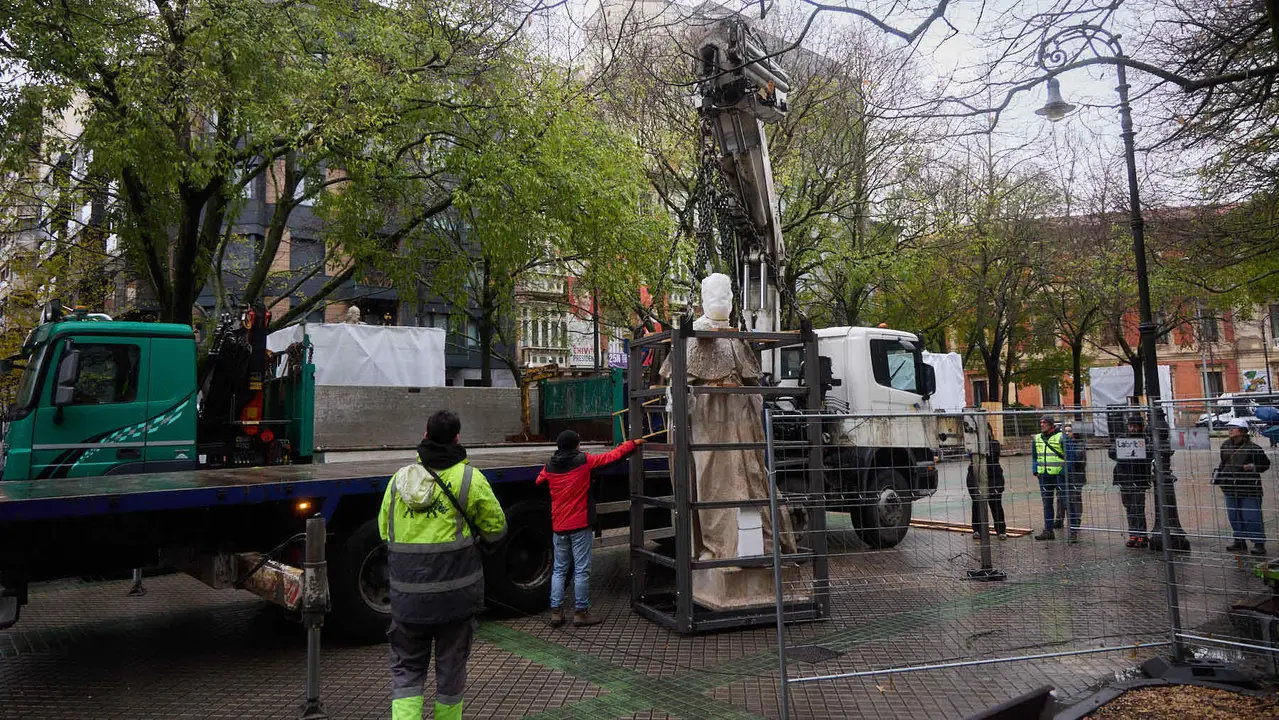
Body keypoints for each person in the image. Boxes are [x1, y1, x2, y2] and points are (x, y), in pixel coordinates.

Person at [379, 410, 508, 720]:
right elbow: (496, 529)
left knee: (407, 670)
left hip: (407, 599)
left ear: (425, 434)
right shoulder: (469, 479)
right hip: (456, 599)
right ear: (457, 438)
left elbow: (385, 531)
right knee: (451, 669)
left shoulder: (399, 481)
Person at [537, 430, 642, 628]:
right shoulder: (584, 461)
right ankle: (580, 612)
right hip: (580, 524)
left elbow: (539, 480)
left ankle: (556, 612)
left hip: (559, 525)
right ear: (576, 445)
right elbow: (611, 457)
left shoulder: (550, 465)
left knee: (559, 569)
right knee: (581, 570)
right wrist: (632, 444)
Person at [1216, 418, 1272, 555]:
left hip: (1249, 488)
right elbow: (1223, 463)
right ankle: (1239, 541)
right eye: (1229, 427)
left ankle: (1258, 543)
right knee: (1234, 515)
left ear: (1242, 431)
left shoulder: (1254, 448)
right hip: (1230, 487)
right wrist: (1221, 477)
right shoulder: (1225, 445)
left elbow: (1265, 465)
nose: (1230, 429)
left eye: (1233, 427)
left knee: (1251, 516)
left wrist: (1252, 467)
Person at [1109, 413, 1153, 549]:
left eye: (1135, 426)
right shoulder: (1122, 438)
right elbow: (1111, 452)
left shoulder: (1146, 440)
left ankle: (1142, 535)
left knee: (1138, 507)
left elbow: (1149, 455)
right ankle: (1133, 534)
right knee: (1129, 507)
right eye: (1131, 426)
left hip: (1139, 478)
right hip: (1124, 477)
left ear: (1141, 427)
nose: (1132, 429)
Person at [966, 426, 1007, 540]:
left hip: (994, 478)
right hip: (976, 477)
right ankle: (977, 530)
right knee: (977, 504)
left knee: (996, 505)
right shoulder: (972, 444)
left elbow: (991, 456)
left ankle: (1001, 530)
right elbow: (971, 456)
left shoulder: (994, 443)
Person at [1031, 415, 1067, 540]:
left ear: (1051, 425)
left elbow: (1068, 455)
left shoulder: (1061, 437)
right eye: (1040, 422)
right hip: (1044, 476)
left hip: (1059, 476)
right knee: (1047, 503)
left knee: (1065, 502)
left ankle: (1073, 528)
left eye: (1044, 422)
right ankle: (1048, 530)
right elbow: (1035, 456)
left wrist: (1063, 471)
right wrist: (1036, 471)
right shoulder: (1036, 438)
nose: (1042, 425)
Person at [1062, 423, 1087, 543]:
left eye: (1069, 431)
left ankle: (1076, 521)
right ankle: (1063, 520)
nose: (1067, 433)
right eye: (1065, 431)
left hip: (1077, 477)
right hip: (1065, 477)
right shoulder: (1064, 444)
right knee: (1065, 499)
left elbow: (1077, 459)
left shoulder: (1079, 445)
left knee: (1075, 499)